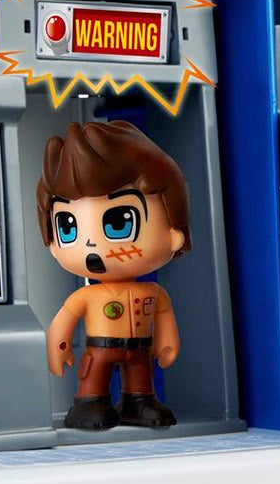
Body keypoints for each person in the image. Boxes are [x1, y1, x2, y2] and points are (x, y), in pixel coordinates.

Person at [39, 119, 189, 431]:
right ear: (53, 242)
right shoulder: (86, 296)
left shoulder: (154, 294)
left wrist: (166, 341)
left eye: (119, 222)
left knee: (140, 374)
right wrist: (58, 343)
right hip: (101, 346)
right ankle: (90, 401)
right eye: (68, 227)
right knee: (94, 373)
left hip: (139, 348)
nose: (91, 246)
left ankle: (139, 401)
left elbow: (164, 319)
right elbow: (62, 324)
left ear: (174, 233)